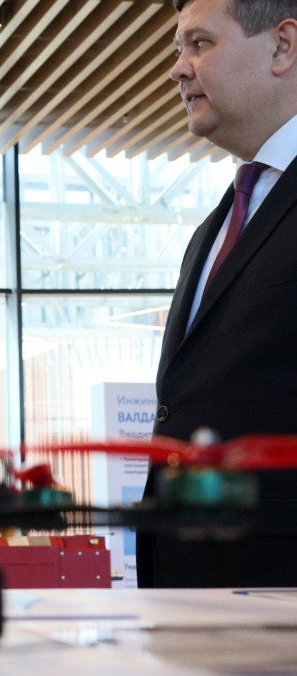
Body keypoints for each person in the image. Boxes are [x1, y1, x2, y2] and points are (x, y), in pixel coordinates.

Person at [138, 0, 297, 587]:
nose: (178, 69)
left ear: (282, 46)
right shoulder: (218, 224)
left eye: (199, 44)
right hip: (191, 579)